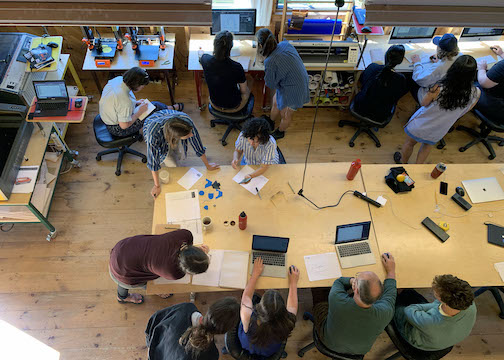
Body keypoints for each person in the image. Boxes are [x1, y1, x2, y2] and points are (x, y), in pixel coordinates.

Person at [395, 55, 480, 164]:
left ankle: (403, 162)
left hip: (422, 124)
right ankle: (417, 168)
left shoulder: (439, 88)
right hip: (441, 128)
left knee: (410, 143)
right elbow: (465, 111)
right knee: (427, 146)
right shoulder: (476, 92)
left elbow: (424, 103)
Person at [310, 253, 396, 355]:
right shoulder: (386, 312)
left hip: (328, 342)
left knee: (319, 293)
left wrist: (351, 280)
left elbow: (339, 282)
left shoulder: (338, 300)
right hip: (359, 351)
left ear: (355, 289)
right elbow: (390, 292)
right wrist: (391, 271)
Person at [109, 229, 209, 304]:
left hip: (123, 247)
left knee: (142, 266)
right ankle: (122, 297)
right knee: (141, 283)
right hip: (123, 271)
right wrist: (158, 290)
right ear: (187, 271)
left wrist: (196, 253)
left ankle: (152, 291)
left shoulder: (185, 235)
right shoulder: (173, 272)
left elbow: (185, 248)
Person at [143, 110, 220, 198]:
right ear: (175, 137)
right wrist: (157, 186)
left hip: (165, 123)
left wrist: (208, 165)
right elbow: (153, 162)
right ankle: (175, 164)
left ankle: (175, 156)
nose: (191, 135)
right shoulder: (152, 137)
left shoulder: (186, 121)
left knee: (176, 153)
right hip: (152, 126)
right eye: (188, 135)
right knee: (173, 163)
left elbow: (197, 145)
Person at [393, 275, 477, 351]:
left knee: (398, 308)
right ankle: (403, 292)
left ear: (443, 300)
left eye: (436, 292)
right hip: (443, 336)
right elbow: (435, 305)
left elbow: (409, 310)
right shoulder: (469, 303)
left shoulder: (430, 322)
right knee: (411, 296)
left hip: (419, 340)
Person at [238, 258, 299, 357]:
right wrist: (293, 283)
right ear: (283, 311)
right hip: (269, 352)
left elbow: (246, 297)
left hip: (247, 346)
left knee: (251, 298)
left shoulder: (248, 318)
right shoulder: (288, 322)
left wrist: (255, 274)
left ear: (259, 308)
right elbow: (292, 306)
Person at [256, 28, 310, 140]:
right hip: (296, 81)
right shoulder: (285, 44)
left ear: (261, 45)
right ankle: (271, 121)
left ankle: (280, 131)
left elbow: (270, 84)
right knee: (276, 101)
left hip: (295, 91)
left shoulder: (270, 61)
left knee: (286, 114)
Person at [99, 67, 183, 137]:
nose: (142, 88)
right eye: (142, 86)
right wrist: (139, 112)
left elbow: (116, 102)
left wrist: (135, 102)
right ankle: (172, 111)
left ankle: (170, 110)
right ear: (136, 84)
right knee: (153, 107)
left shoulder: (118, 80)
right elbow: (124, 125)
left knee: (153, 106)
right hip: (117, 129)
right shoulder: (125, 101)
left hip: (108, 117)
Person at [146, 297, 240, 360]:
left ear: (210, 309)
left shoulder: (186, 308)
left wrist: (150, 348)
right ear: (225, 331)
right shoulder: (211, 355)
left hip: (155, 352)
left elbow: (154, 321)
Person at [353, 45, 408, 121]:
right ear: (400, 61)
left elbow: (362, 80)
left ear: (385, 55)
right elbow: (396, 97)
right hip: (381, 115)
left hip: (360, 107)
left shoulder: (374, 67)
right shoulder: (401, 79)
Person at [200, 30, 251, 113]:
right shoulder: (237, 67)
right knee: (250, 81)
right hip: (233, 105)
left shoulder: (205, 59)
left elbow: (201, 57)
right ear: (231, 47)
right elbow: (243, 91)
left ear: (214, 45)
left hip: (215, 102)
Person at [410, 33, 459, 104]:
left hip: (431, 96)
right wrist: (440, 60)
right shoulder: (461, 57)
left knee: (409, 79)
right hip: (450, 91)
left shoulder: (439, 67)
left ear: (440, 49)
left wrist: (417, 63)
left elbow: (419, 79)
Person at [475, 45, 504, 120]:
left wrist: (482, 68)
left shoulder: (502, 66)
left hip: (499, 106)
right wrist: (502, 54)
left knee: (468, 82)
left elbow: (483, 83)